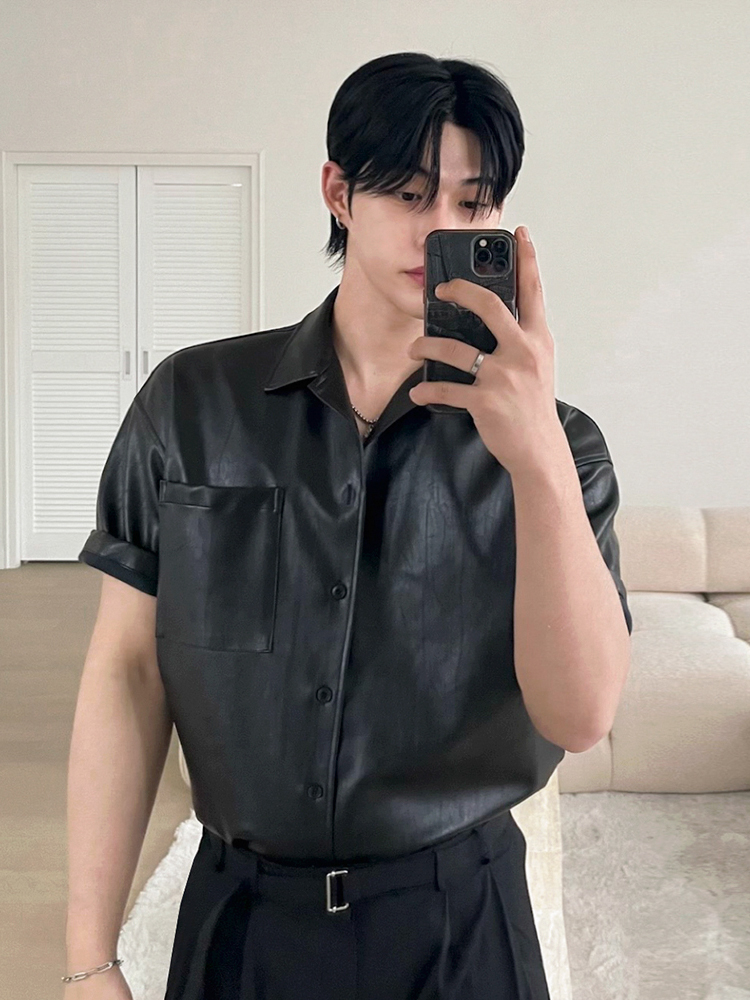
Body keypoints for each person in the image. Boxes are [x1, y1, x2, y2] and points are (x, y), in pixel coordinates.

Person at [65, 51, 632, 1000]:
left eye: (473, 202)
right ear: (339, 192)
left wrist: (534, 455)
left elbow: (580, 717)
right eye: (410, 194)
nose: (441, 226)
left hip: (463, 927)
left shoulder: (561, 445)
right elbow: (126, 673)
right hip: (242, 926)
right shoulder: (192, 405)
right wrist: (89, 960)